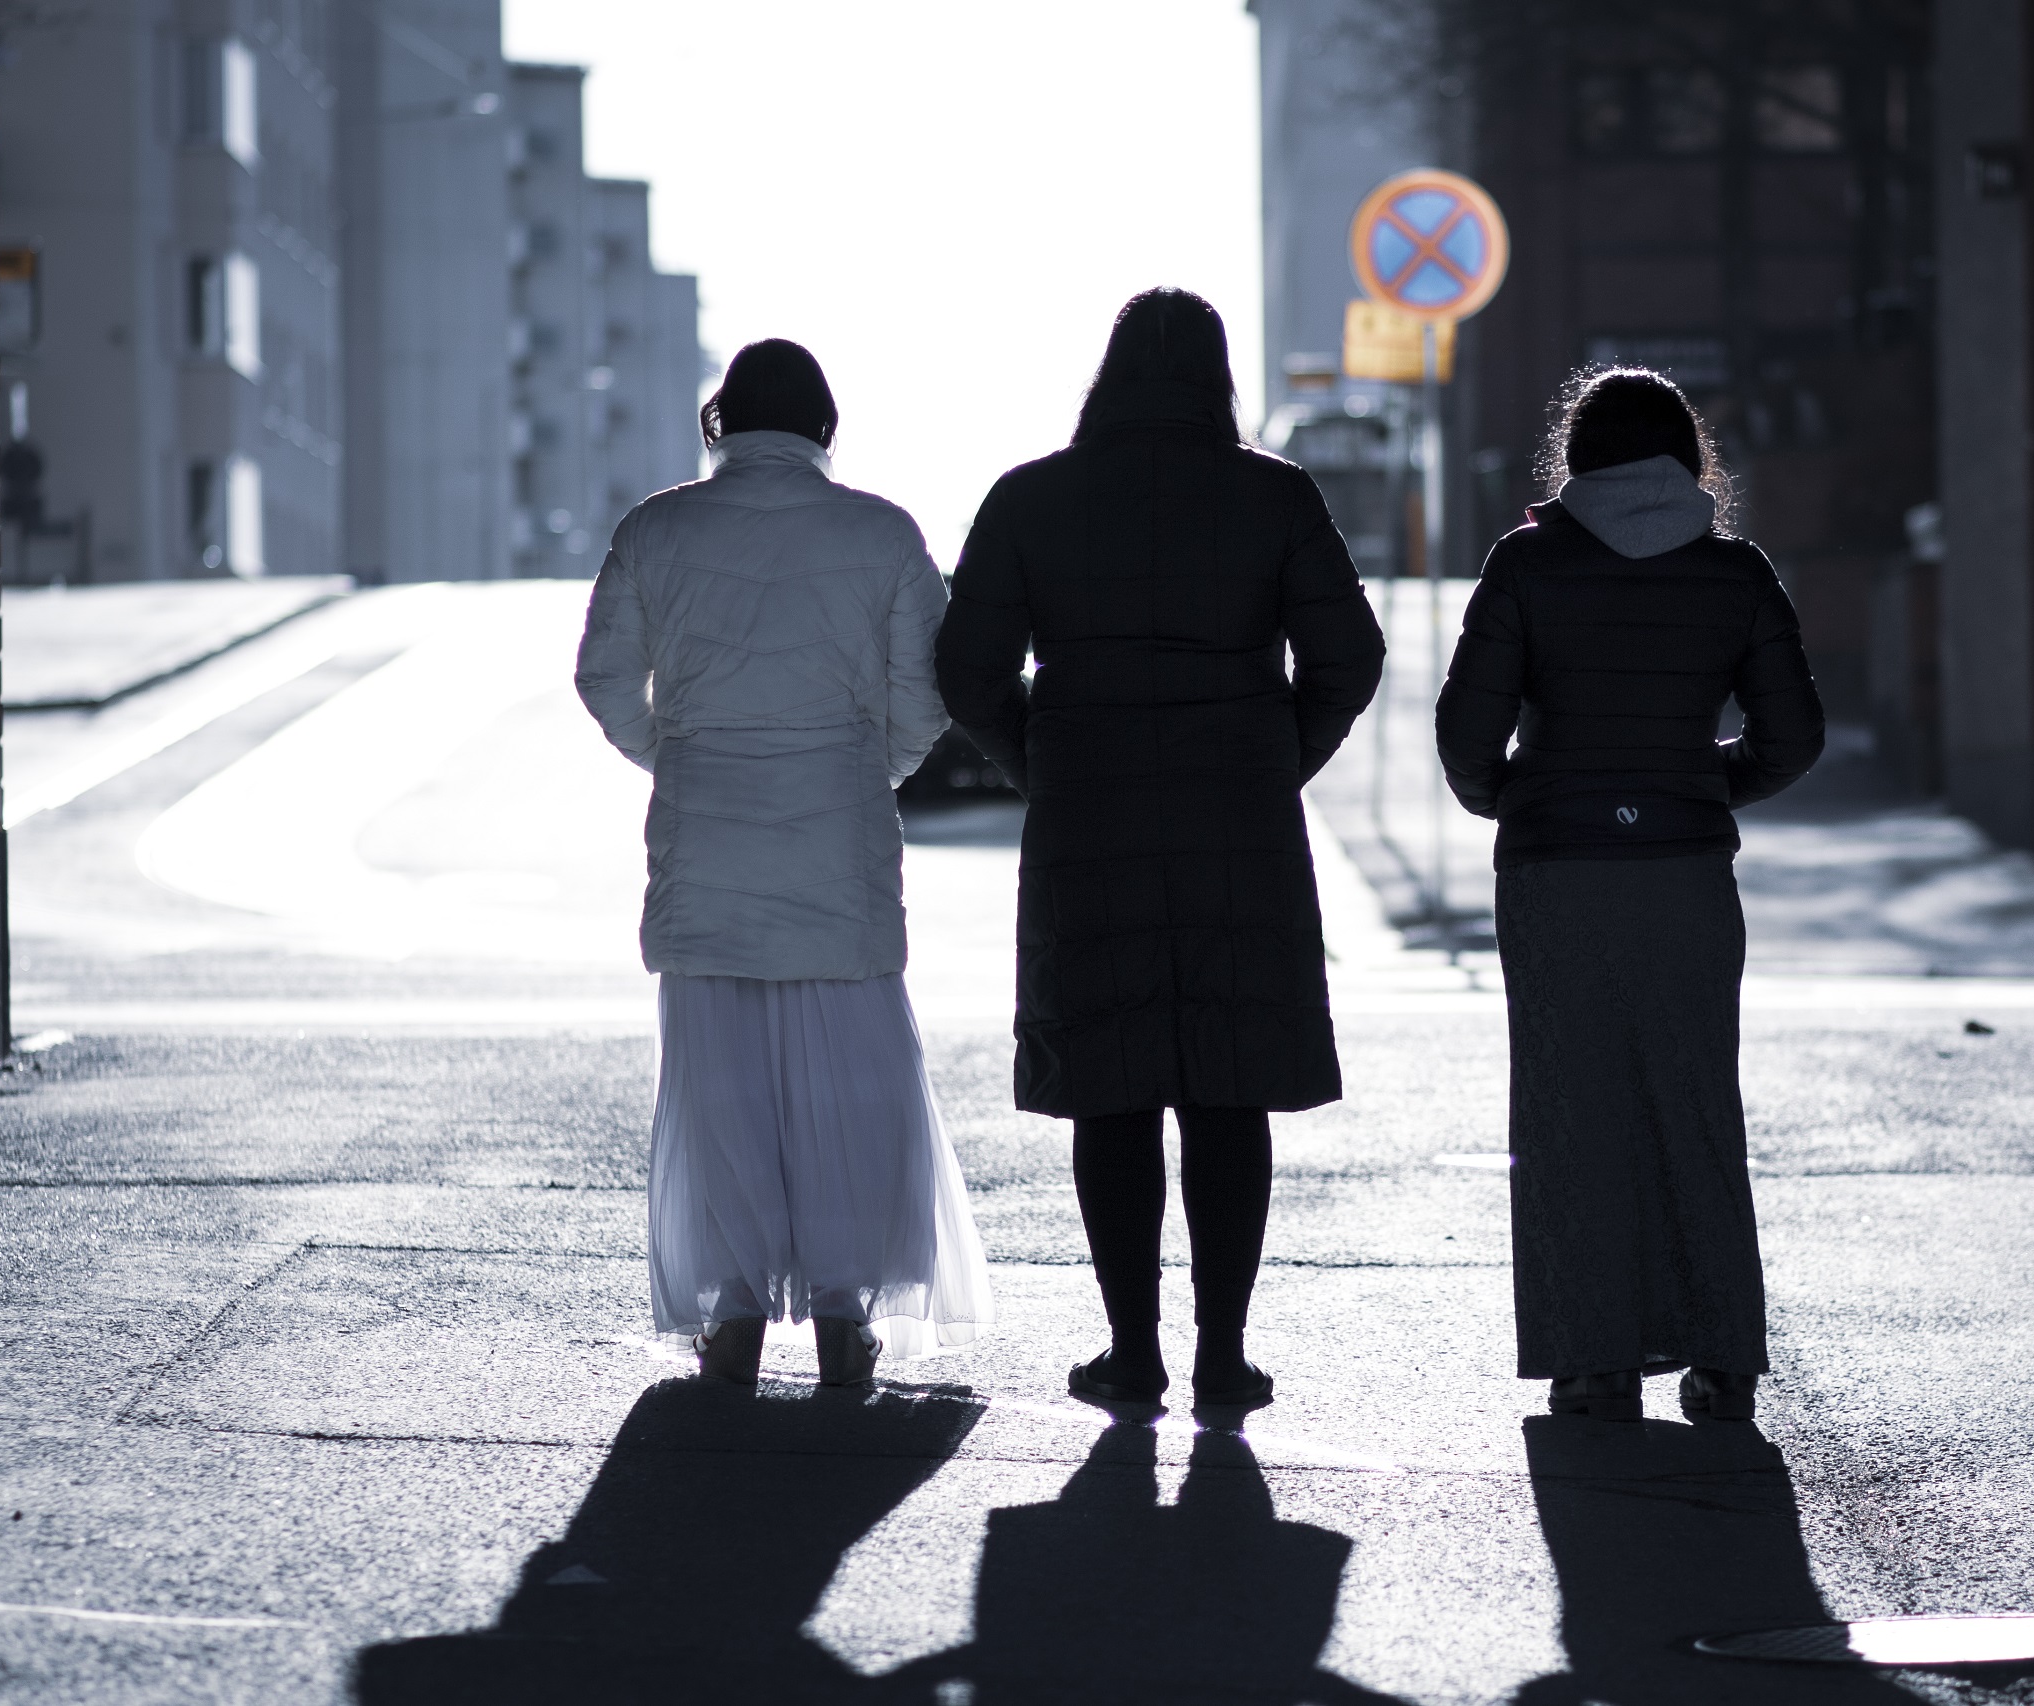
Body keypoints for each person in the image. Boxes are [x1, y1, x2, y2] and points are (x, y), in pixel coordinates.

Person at [935, 288, 1384, 1411]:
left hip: (1091, 818)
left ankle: (1130, 1350)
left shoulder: (1032, 497)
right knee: (1229, 1086)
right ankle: (1223, 1356)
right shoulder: (1273, 495)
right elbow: (1351, 654)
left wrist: (1040, 758)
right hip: (1238, 814)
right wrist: (1279, 752)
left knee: (1112, 1083)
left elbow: (965, 668)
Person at [576, 338, 993, 1388]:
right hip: (838, 840)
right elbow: (925, 695)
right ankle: (848, 1309)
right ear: (823, 426)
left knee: (719, 1082)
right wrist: (869, 768)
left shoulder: (655, 527)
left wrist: (675, 752)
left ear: (722, 422)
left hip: (705, 835)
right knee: (853, 1073)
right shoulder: (883, 532)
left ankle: (735, 1305)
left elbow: (604, 677)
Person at [1434, 368, 1823, 1423]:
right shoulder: (1734, 572)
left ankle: (1591, 1360)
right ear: (1687, 458)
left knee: (1569, 1113)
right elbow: (1794, 736)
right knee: (1694, 1107)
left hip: (1556, 876)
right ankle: (1722, 1358)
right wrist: (1696, 786)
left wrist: (1522, 799)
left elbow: (1465, 740)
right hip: (1685, 874)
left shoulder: (1525, 564)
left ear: (1578, 458)